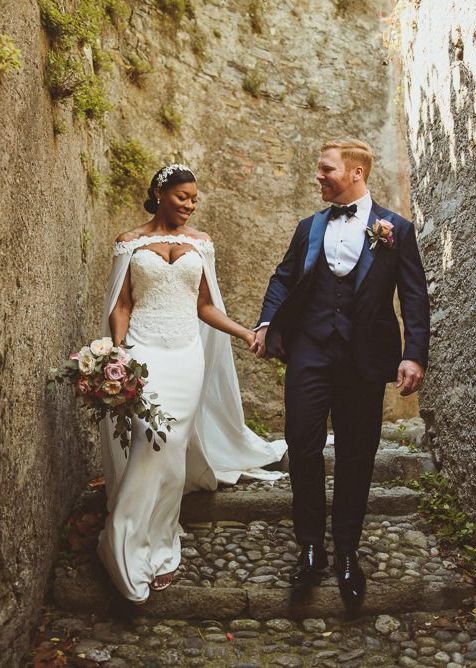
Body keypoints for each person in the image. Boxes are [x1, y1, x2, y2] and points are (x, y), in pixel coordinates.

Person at [251, 139, 429, 610]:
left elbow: (413, 296)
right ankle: (310, 546)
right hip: (309, 351)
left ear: (355, 172)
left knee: (357, 454)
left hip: (365, 360)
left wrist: (414, 354)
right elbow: (283, 278)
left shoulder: (396, 230)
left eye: (326, 169)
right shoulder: (309, 227)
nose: (319, 177)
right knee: (302, 445)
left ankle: (347, 549)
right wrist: (268, 323)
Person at [98, 164, 286, 603]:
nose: (190, 204)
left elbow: (206, 305)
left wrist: (243, 333)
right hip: (142, 351)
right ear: (159, 193)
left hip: (186, 354)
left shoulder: (201, 244)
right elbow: (121, 303)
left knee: (173, 444)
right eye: (183, 196)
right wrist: (118, 351)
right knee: (148, 437)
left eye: (194, 198)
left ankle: (161, 536)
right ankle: (123, 537)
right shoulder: (129, 242)